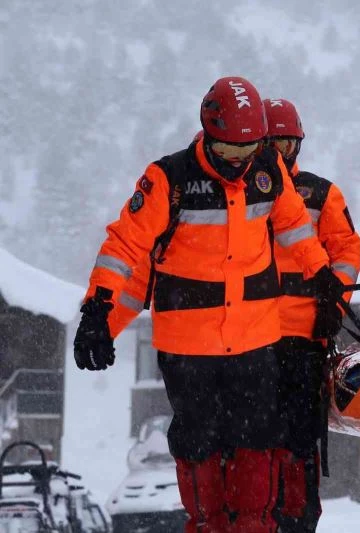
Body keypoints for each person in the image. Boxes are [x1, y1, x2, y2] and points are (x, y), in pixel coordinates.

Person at [73, 76, 343, 533]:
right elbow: (124, 246)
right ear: (206, 132)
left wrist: (322, 275)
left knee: (258, 440)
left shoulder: (268, 170)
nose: (239, 163)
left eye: (249, 149)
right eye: (229, 152)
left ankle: (255, 526)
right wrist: (98, 312)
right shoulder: (169, 180)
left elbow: (296, 224)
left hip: (256, 339)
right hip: (188, 348)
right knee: (200, 444)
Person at [265, 98, 360, 533]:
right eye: (271, 143)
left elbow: (347, 251)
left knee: (301, 442)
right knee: (252, 442)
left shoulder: (322, 193)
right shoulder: (240, 193)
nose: (279, 153)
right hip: (248, 339)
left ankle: (299, 520)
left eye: (287, 143)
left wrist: (333, 303)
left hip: (304, 340)